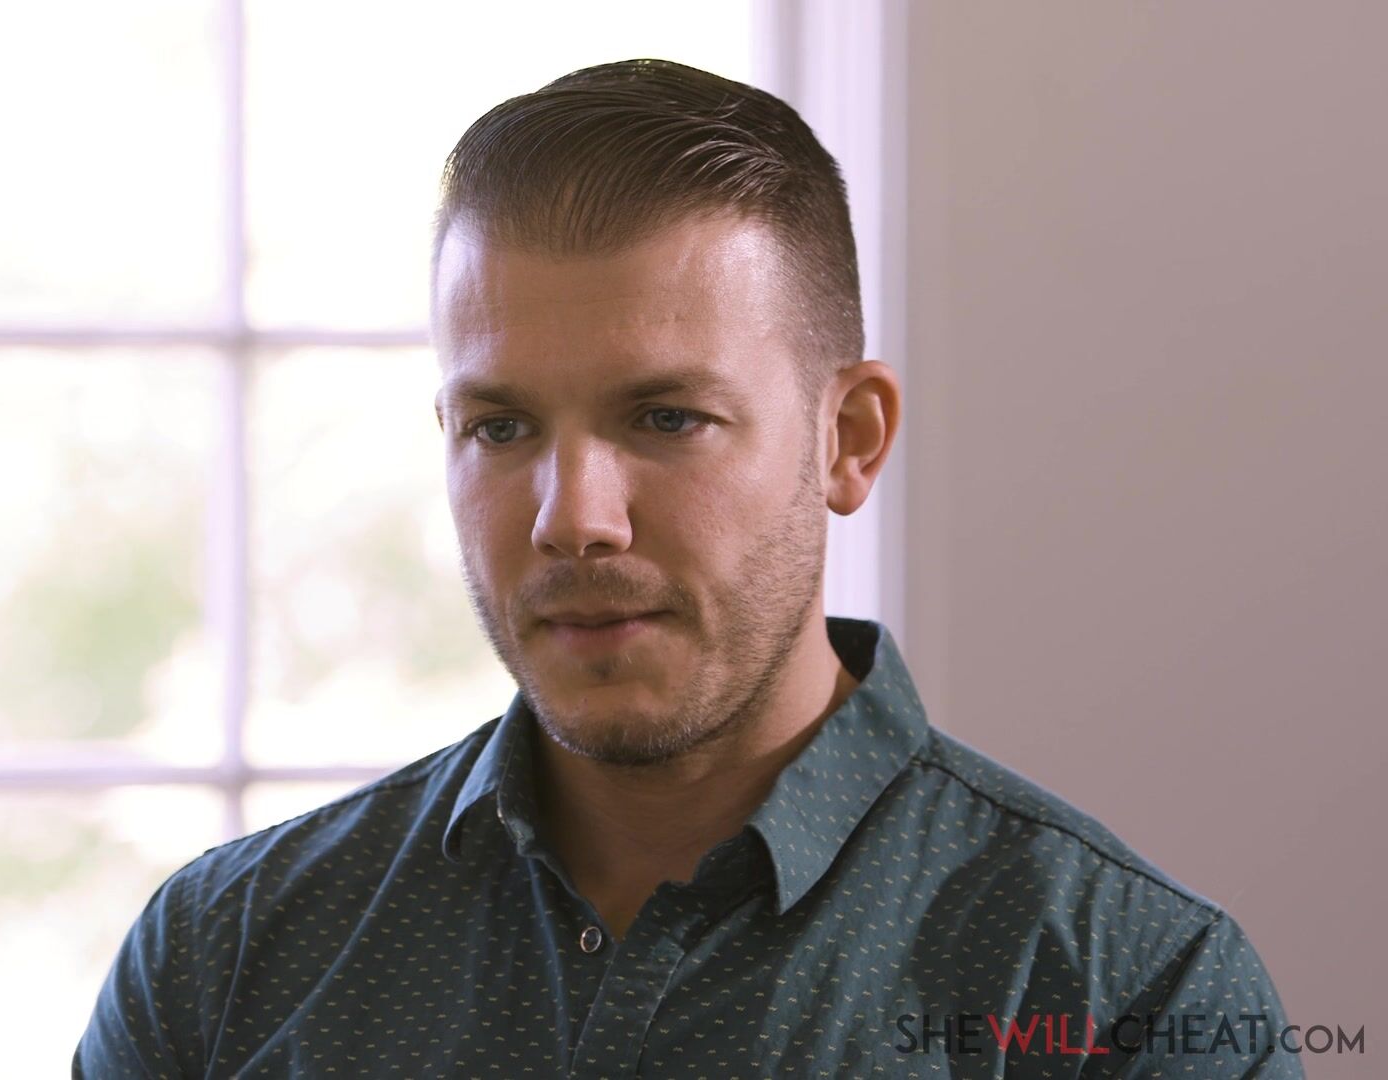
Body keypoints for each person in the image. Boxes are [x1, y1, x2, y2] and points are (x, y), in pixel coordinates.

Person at [74, 59, 1296, 1078]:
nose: (574, 520)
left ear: (848, 438)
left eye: (666, 418)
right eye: (501, 428)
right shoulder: (222, 961)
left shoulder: (1128, 996)